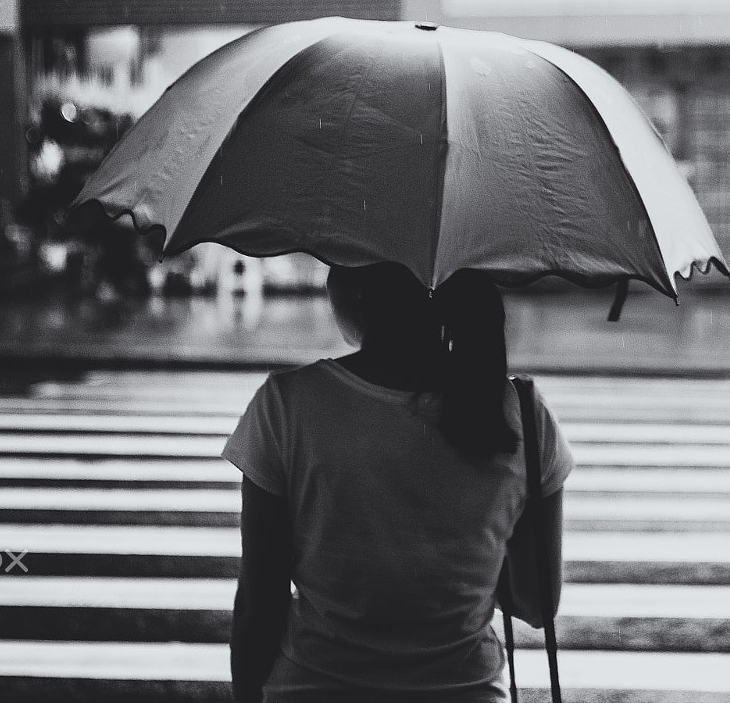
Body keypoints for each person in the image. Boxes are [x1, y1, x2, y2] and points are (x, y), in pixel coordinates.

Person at [223, 262, 573, 703]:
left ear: (360, 290)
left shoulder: (287, 405)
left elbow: (260, 600)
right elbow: (537, 604)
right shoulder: (521, 412)